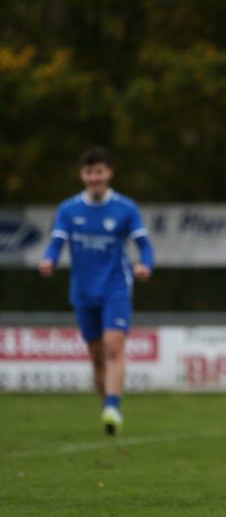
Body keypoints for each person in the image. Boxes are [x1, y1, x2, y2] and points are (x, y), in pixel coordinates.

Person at [39, 147, 154, 436]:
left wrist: (145, 265)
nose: (94, 178)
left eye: (99, 172)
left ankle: (113, 406)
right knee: (96, 355)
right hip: (83, 291)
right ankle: (108, 405)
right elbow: (56, 242)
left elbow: (144, 245)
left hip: (116, 287)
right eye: (89, 172)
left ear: (109, 173)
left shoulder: (125, 208)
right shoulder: (68, 209)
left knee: (114, 347)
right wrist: (49, 259)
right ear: (82, 175)